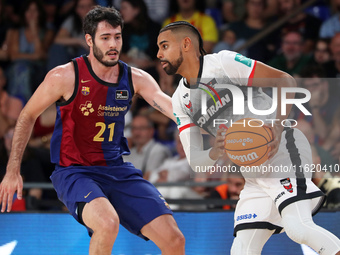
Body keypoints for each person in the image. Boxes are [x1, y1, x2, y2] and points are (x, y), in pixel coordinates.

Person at [0, 6, 185, 255]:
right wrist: (13, 171)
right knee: (108, 224)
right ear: (89, 40)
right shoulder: (65, 76)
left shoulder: (135, 78)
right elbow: (27, 115)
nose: (113, 44)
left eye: (117, 37)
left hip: (117, 169)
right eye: (105, 37)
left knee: (174, 239)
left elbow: (170, 106)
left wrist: (203, 119)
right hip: (75, 171)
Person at [157, 21, 340, 255]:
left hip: (282, 149)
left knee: (299, 229)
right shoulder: (180, 100)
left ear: (185, 44)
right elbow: (196, 161)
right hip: (253, 172)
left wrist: (275, 127)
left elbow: (285, 80)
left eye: (164, 46)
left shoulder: (223, 62)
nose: (159, 54)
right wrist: (215, 150)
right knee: (242, 250)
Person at [123, 115, 171, 180]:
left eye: (141, 128)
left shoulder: (159, 150)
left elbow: (149, 178)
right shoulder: (129, 153)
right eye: (134, 128)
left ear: (151, 131)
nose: (137, 132)